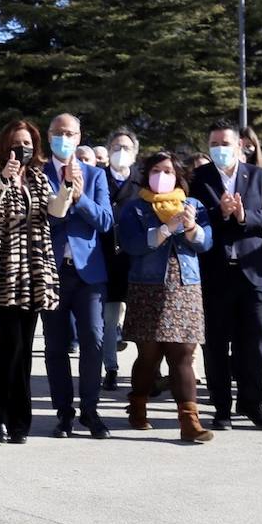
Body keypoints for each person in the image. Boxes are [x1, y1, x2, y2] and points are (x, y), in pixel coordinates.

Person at [190, 120, 262, 431]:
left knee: (255, 339)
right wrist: (221, 212)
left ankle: (252, 402)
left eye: (225, 144)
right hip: (214, 273)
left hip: (252, 273)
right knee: (216, 343)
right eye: (214, 144)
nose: (220, 149)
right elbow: (194, 217)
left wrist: (244, 216)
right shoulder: (199, 178)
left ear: (240, 146)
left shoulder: (258, 177)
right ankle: (221, 408)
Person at [117, 151, 215, 443]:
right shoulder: (135, 207)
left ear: (179, 176)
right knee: (149, 355)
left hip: (185, 287)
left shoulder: (193, 204)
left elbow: (206, 243)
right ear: (147, 175)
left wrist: (191, 228)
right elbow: (131, 245)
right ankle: (137, 405)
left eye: (169, 171)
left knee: (182, 353)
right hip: (147, 287)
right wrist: (164, 229)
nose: (163, 176)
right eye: (157, 170)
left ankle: (189, 421)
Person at [0, 120, 60, 444]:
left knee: (24, 349)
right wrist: (4, 179)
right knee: (9, 346)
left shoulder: (39, 179)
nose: (22, 148)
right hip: (3, 272)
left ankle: (18, 421)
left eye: (27, 143)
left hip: (33, 271)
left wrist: (68, 187)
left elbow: (56, 209)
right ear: (5, 146)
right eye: (16, 143)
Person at [41, 114, 114, 439]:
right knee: (55, 346)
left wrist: (80, 199)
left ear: (79, 135)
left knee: (93, 341)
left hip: (89, 275)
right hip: (52, 272)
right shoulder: (38, 175)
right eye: (58, 133)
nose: (64, 138)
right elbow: (39, 222)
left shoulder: (96, 175)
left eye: (69, 133)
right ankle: (64, 413)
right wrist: (62, 200)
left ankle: (90, 410)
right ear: (49, 135)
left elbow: (105, 221)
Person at [100, 129, 142, 387]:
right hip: (106, 259)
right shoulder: (98, 178)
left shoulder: (143, 182)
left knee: (141, 321)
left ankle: (147, 371)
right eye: (116, 147)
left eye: (126, 147)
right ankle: (110, 368)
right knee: (107, 320)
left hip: (136, 261)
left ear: (135, 153)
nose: (121, 152)